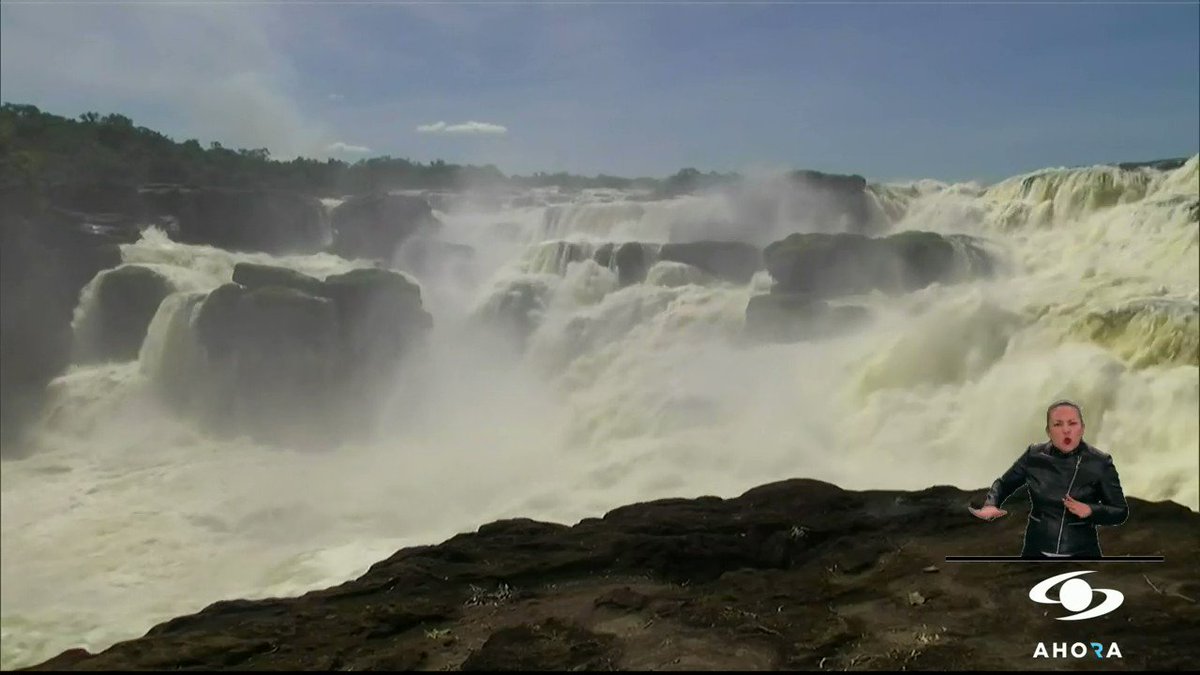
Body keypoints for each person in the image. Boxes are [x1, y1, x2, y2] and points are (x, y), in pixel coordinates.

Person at [969, 400, 1129, 558]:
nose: (1066, 430)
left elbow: (1120, 511)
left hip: (1082, 555)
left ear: (1082, 428)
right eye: (1058, 424)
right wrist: (991, 503)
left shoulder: (1100, 462)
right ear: (1048, 431)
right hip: (1036, 553)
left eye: (1072, 423)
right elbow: (1004, 484)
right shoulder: (1033, 455)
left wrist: (1091, 510)